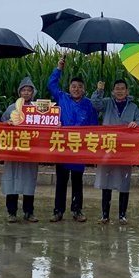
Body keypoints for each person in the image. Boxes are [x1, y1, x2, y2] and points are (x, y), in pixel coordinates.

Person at [47, 56, 99, 223]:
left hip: (79, 149)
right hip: (62, 147)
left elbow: (94, 127)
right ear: (69, 88)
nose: (76, 89)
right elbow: (51, 85)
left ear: (84, 89)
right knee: (61, 181)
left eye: (79, 87)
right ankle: (58, 211)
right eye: (73, 86)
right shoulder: (62, 98)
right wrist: (59, 69)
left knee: (77, 181)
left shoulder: (89, 105)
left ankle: (77, 210)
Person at [92, 78, 139, 225]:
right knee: (106, 182)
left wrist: (136, 124)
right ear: (113, 91)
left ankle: (122, 215)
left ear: (127, 91)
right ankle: (105, 215)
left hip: (125, 150)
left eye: (122, 88)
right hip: (108, 148)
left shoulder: (133, 107)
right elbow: (95, 104)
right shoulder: (107, 103)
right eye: (117, 88)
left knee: (124, 182)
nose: (120, 91)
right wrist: (99, 91)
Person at [2, 77, 41, 223]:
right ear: (19, 92)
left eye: (29, 90)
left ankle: (29, 212)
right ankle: (11, 212)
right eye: (23, 90)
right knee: (11, 180)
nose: (26, 93)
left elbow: (45, 125)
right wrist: (7, 123)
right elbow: (1, 124)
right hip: (13, 150)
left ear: (33, 92)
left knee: (29, 181)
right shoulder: (11, 108)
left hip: (30, 151)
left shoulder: (38, 109)